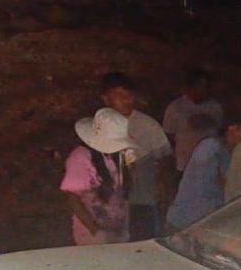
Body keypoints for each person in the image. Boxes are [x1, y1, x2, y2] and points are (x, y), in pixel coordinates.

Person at [99, 72, 172, 240]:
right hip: (109, 202)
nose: (127, 100)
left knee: (141, 241)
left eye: (129, 95)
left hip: (142, 198)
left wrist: (162, 185)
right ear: (105, 98)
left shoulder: (147, 125)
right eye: (120, 95)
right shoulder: (98, 125)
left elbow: (165, 158)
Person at [163, 119, 241, 233]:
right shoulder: (210, 147)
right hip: (185, 220)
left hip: (206, 224)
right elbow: (205, 186)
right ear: (231, 128)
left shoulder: (233, 156)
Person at [61, 108, 136, 245]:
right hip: (93, 233)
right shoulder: (80, 157)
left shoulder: (119, 155)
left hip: (120, 228)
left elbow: (125, 189)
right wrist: (94, 230)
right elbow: (73, 198)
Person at [162, 69, 225, 178]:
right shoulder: (176, 107)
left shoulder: (215, 107)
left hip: (210, 164)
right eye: (201, 86)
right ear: (191, 87)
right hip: (185, 164)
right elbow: (168, 134)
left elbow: (219, 131)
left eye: (207, 87)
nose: (205, 90)